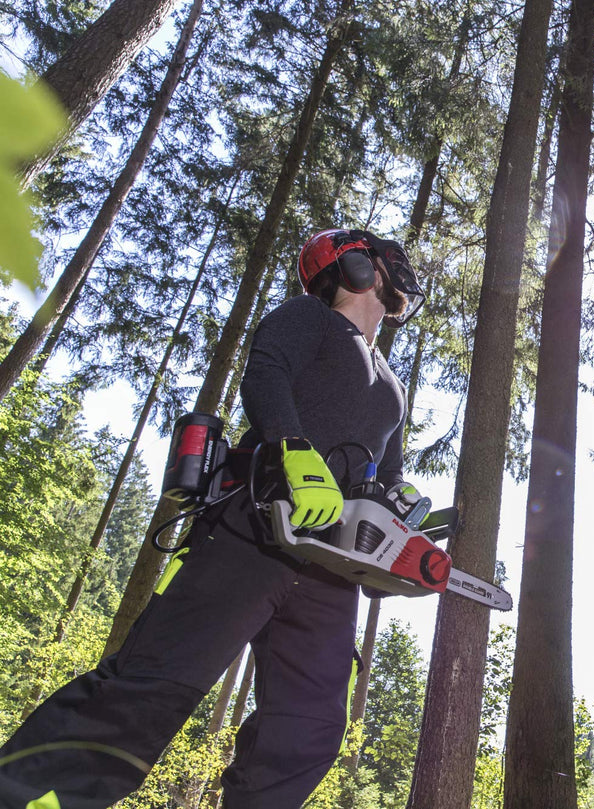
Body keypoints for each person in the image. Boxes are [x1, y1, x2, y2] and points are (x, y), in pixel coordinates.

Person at [0, 229, 425, 809]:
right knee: (152, 686)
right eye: (383, 261)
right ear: (352, 266)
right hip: (254, 527)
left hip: (331, 563)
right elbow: (266, 370)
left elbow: (388, 467)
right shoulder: (309, 317)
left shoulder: (394, 386)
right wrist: (290, 444)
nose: (397, 272)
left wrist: (400, 508)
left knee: (310, 729)